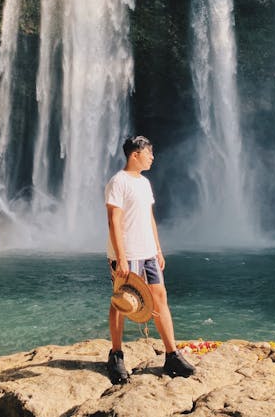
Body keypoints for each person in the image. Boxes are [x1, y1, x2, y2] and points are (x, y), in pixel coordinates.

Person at [105, 135, 195, 384]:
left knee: (160, 298)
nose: (152, 157)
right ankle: (116, 355)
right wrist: (121, 257)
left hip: (147, 252)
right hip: (127, 253)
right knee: (121, 302)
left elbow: (149, 218)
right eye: (149, 153)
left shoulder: (145, 183)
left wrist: (158, 248)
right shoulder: (118, 182)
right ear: (135, 154)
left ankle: (171, 355)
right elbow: (114, 221)